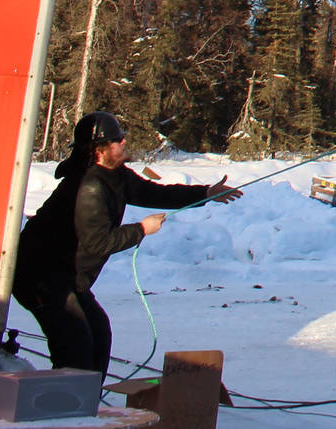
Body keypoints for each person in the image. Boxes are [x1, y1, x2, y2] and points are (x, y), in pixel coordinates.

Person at [12, 111, 239, 372]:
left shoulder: (115, 175)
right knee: (75, 346)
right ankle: (64, 408)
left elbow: (152, 192)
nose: (123, 142)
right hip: (39, 277)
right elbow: (98, 243)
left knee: (99, 335)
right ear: (99, 150)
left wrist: (205, 192)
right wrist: (142, 229)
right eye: (117, 139)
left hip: (66, 276)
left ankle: (85, 405)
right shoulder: (88, 186)